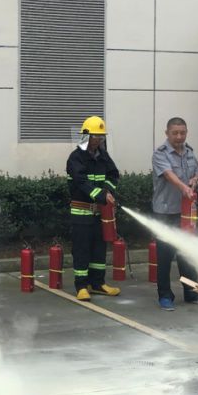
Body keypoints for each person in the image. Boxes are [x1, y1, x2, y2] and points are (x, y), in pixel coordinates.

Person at [65, 116, 122, 302]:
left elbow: (114, 175)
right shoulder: (75, 158)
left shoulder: (103, 155)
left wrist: (108, 191)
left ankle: (98, 284)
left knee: (99, 247)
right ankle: (81, 286)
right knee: (82, 249)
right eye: (95, 136)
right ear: (86, 136)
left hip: (100, 213)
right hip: (81, 213)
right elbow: (81, 182)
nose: (98, 140)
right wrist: (101, 195)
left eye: (101, 137)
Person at [151, 117, 198, 311]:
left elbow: (197, 171)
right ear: (167, 133)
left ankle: (190, 293)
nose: (179, 136)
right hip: (165, 212)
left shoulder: (190, 152)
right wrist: (183, 188)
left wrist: (195, 180)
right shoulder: (160, 154)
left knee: (186, 254)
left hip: (185, 214)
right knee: (164, 256)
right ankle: (165, 296)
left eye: (182, 132)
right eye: (175, 133)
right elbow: (168, 175)